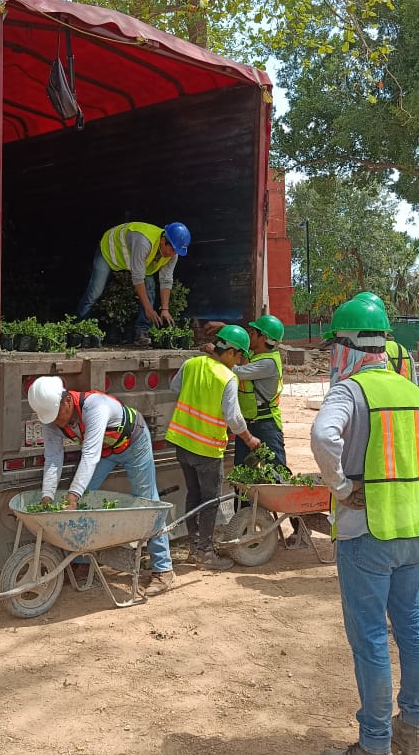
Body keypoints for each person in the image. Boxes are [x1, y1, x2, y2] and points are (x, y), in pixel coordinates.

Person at [310, 294, 419, 755]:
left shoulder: (349, 391)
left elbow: (323, 437)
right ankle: (415, 729)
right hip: (415, 530)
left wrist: (342, 487)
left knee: (371, 641)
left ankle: (375, 750)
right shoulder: (413, 391)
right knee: (412, 630)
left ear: (346, 344)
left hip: (369, 534)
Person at [28, 376, 175, 596]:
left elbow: (90, 454)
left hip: (134, 442)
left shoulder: (94, 406)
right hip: (106, 451)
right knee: (85, 499)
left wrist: (72, 496)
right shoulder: (51, 420)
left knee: (148, 502)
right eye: (51, 419)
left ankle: (163, 569)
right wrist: (47, 497)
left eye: (58, 415)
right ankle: (81, 561)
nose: (57, 422)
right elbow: (53, 459)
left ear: (67, 400)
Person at [166, 325, 261, 570]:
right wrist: (249, 439)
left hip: (182, 442)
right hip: (206, 448)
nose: (239, 361)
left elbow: (174, 388)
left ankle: (193, 548)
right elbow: (234, 418)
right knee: (209, 500)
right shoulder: (227, 377)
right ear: (229, 352)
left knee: (193, 495)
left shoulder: (192, 364)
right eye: (239, 355)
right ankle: (205, 554)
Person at [355, 293, 419, 587]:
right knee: (411, 496)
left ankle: (378, 562)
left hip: (377, 422)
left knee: (380, 495)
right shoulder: (402, 351)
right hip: (407, 425)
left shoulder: (362, 352)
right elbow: (412, 385)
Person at [77, 221, 191, 347]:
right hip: (110, 251)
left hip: (138, 260)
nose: (172, 254)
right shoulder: (143, 242)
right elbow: (137, 278)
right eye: (172, 250)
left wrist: (165, 309)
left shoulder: (173, 253)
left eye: (176, 252)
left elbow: (166, 279)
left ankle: (142, 332)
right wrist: (148, 309)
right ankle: (80, 327)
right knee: (95, 291)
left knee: (150, 287)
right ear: (163, 240)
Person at [233, 314, 287, 469]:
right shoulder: (256, 355)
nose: (249, 335)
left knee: (275, 472)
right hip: (249, 423)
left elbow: (238, 371)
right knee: (243, 472)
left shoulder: (268, 363)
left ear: (263, 338)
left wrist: (217, 353)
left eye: (253, 332)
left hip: (266, 425)